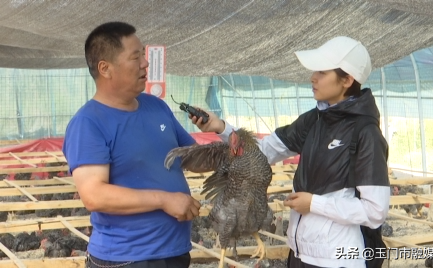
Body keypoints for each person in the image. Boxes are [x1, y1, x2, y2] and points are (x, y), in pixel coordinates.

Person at [191, 36, 390, 268]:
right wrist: (222, 128)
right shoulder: (314, 120)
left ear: (347, 79)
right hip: (299, 255)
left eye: (322, 72)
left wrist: (314, 204)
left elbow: (375, 211)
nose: (313, 77)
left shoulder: (365, 133)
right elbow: (262, 152)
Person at [62, 21, 201, 268]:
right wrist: (164, 200)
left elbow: (194, 158)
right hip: (126, 259)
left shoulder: (156, 106)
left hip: (175, 252)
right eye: (135, 57)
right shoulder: (88, 123)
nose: (145, 63)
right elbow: (94, 195)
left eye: (144, 55)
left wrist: (225, 135)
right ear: (105, 68)